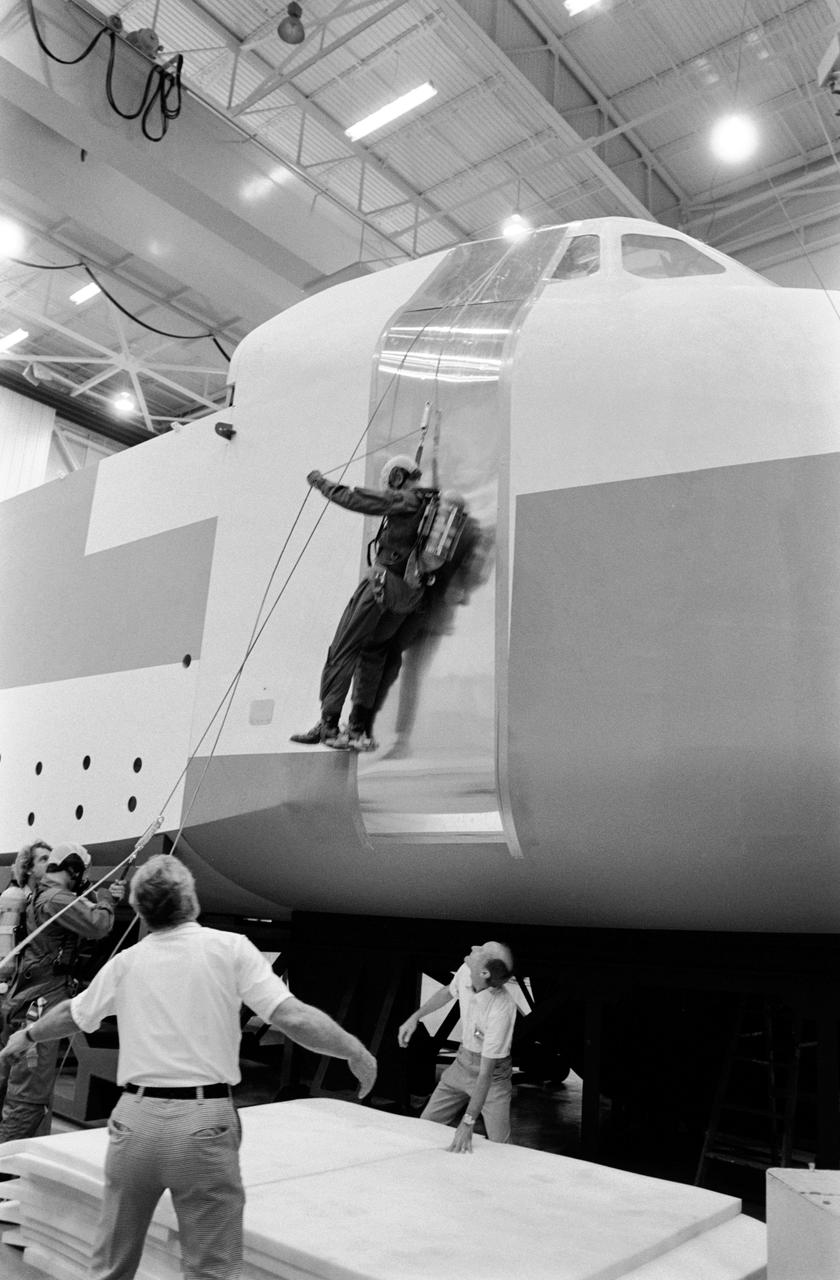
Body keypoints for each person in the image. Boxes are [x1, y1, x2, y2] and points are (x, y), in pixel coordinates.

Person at [0, 853, 377, 1280]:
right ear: (191, 900)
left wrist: (26, 1035)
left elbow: (72, 1013)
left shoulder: (127, 963)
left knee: (111, 1263)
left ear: (140, 910)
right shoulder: (229, 949)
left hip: (135, 1124)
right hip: (203, 1123)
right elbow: (293, 1018)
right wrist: (355, 1052)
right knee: (211, 1268)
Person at [291, 454, 432, 750]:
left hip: (382, 586)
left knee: (343, 648)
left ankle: (328, 726)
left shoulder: (406, 499)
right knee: (373, 652)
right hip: (408, 597)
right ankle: (357, 729)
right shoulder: (430, 501)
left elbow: (357, 499)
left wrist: (320, 483)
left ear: (396, 477)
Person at [0, 841, 121, 1142]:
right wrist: (107, 899)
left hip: (26, 998)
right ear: (74, 870)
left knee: (21, 1091)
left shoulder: (41, 896)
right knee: (28, 1098)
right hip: (39, 1006)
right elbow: (98, 924)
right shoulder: (56, 899)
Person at [398, 940, 516, 1152]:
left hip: (493, 1077)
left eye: (481, 950)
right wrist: (415, 1017)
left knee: (501, 1149)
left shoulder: (502, 1009)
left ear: (485, 973)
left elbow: (485, 1074)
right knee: (424, 1126)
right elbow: (447, 992)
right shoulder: (467, 969)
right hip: (461, 1064)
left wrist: (468, 1122)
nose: (473, 948)